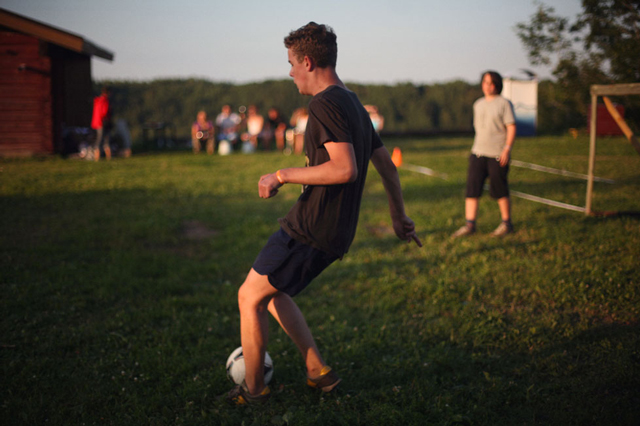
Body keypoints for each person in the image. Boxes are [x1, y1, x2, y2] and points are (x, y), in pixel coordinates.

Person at [225, 22, 422, 405]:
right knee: (274, 291)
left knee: (248, 296)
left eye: (291, 63)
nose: (290, 72)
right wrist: (398, 217)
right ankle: (318, 370)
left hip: (310, 226)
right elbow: (387, 167)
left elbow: (344, 168)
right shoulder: (352, 102)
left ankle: (254, 392)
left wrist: (282, 175)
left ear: (308, 62)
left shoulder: (325, 103)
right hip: (335, 232)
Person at [452, 71, 516, 238]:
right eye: (485, 82)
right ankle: (470, 225)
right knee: (472, 189)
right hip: (478, 152)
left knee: (499, 189)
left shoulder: (504, 103)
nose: (488, 86)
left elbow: (511, 127)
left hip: (497, 154)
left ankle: (506, 224)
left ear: (497, 85)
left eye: (491, 83)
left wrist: (507, 149)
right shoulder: (478, 104)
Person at [91, 87, 111, 161]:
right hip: (102, 122)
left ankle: (97, 157)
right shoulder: (105, 101)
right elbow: (104, 112)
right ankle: (105, 157)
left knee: (99, 139)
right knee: (104, 139)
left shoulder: (97, 100)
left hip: (96, 123)